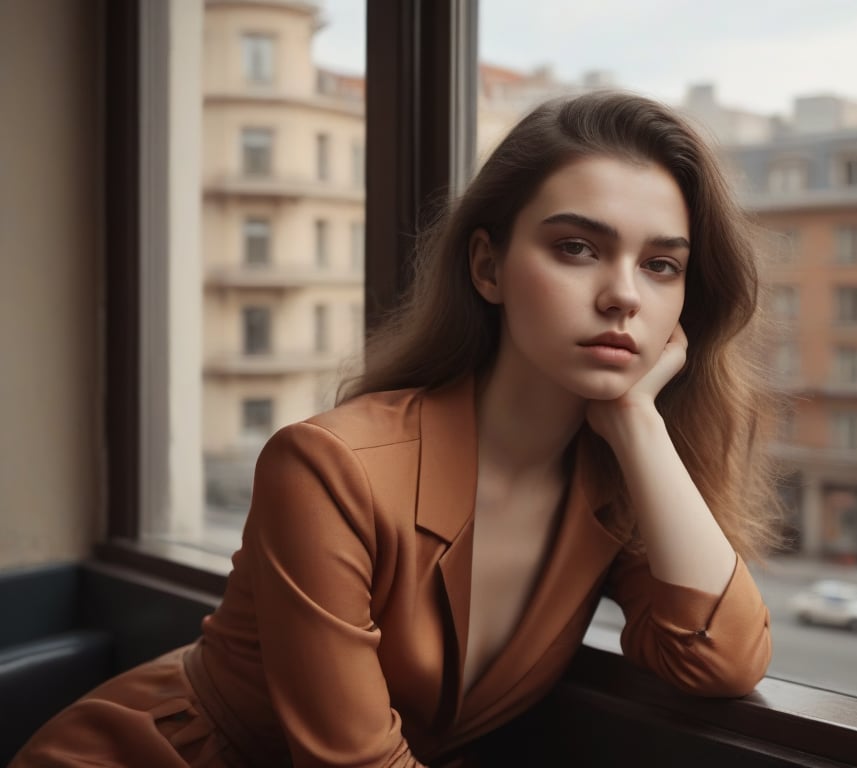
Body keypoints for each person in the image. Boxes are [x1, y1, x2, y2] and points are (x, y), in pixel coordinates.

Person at [13, 90, 781, 767]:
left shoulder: (613, 481)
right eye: (576, 248)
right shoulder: (330, 467)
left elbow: (723, 660)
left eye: (661, 265)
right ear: (488, 267)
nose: (622, 296)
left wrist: (637, 423)